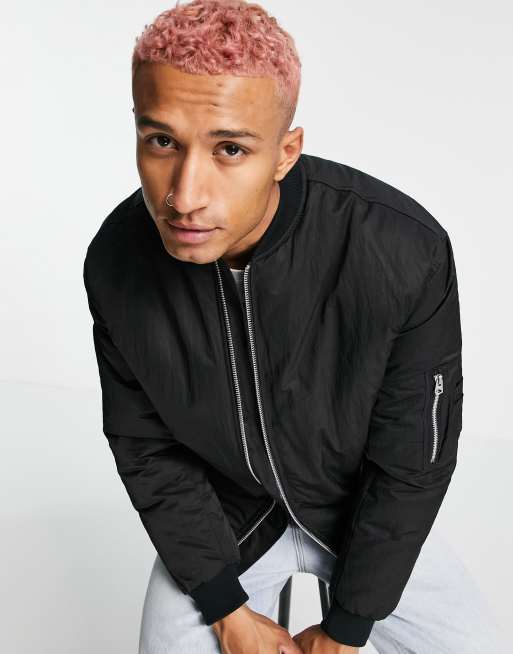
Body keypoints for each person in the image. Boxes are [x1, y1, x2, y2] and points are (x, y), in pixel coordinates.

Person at [82, 1, 504, 652]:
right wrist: (225, 609)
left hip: (359, 514)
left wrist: (348, 625)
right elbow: (146, 448)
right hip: (226, 517)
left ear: (285, 153)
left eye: (230, 149)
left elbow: (411, 462)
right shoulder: (117, 263)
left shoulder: (401, 252)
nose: (184, 197)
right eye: (162, 141)